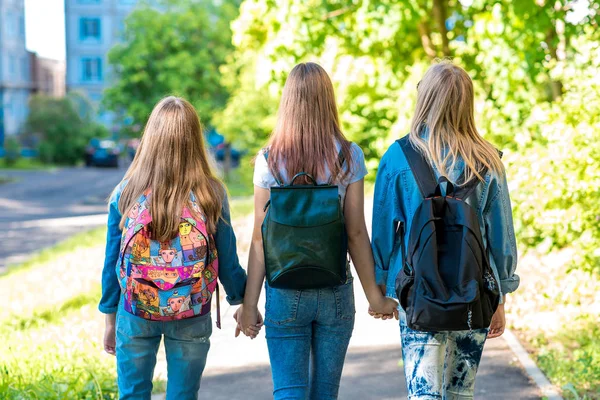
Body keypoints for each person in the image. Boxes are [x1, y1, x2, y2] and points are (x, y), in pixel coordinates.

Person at [235, 62, 398, 400]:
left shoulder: (269, 159)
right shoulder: (349, 156)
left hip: (284, 290)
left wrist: (250, 304)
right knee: (325, 394)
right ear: (329, 101)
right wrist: (375, 297)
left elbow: (259, 237)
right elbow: (355, 233)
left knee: (289, 393)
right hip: (334, 290)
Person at [371, 60, 519, 399]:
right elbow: (501, 237)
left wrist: (380, 288)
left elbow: (382, 232)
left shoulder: (398, 156)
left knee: (424, 394)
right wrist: (502, 296)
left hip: (417, 296)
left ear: (424, 99)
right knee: (460, 393)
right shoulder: (489, 161)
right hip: (475, 292)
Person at [99, 96, 251, 400]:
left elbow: (112, 261)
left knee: (133, 395)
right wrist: (242, 301)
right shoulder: (211, 193)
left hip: (136, 311)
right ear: (194, 139)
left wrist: (109, 318)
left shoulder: (126, 193)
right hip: (191, 311)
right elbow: (228, 259)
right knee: (183, 395)